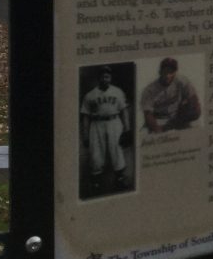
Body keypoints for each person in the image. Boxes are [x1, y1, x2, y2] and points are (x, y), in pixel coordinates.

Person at [80, 66, 131, 194]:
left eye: (107, 76)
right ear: (98, 78)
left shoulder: (118, 92)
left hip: (114, 122)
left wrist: (127, 129)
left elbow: (124, 111)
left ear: (110, 78)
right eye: (102, 76)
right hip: (96, 124)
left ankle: (120, 178)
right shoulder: (90, 95)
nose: (105, 79)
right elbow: (85, 116)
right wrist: (85, 134)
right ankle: (96, 181)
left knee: (117, 149)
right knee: (96, 151)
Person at [141, 57, 201, 133]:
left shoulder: (182, 81)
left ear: (175, 72)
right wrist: (158, 130)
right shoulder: (149, 90)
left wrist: (187, 115)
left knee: (197, 128)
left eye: (171, 72)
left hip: (176, 118)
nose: (168, 75)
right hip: (157, 119)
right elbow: (148, 115)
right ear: (160, 72)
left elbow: (195, 101)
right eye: (165, 71)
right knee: (143, 134)